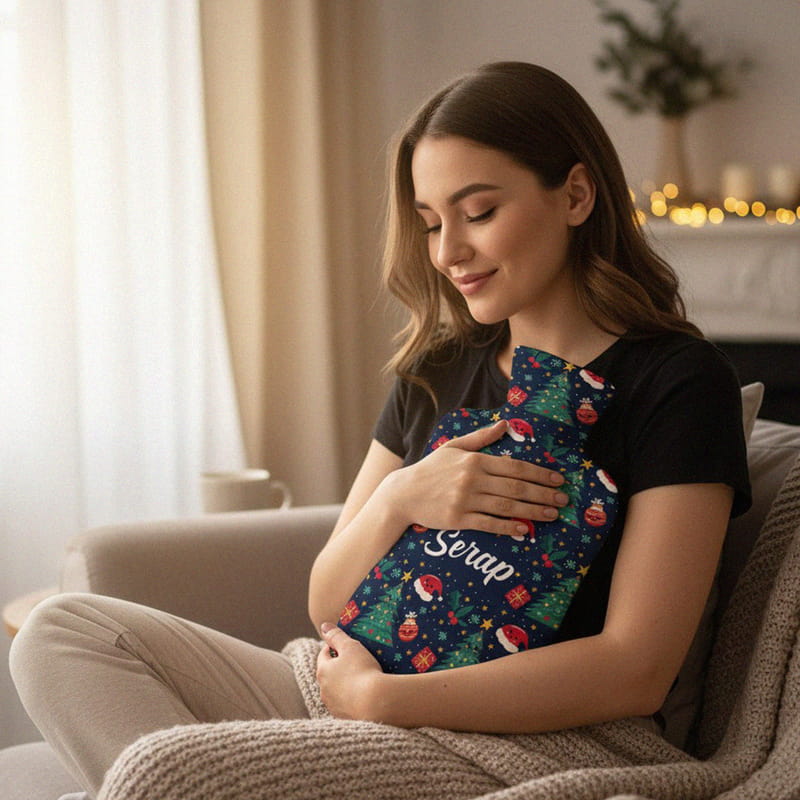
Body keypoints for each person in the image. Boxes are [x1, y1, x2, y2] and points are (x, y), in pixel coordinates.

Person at [10, 62, 750, 798]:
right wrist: (403, 496)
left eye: (479, 212)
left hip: (524, 736)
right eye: (431, 222)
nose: (446, 252)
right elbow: (326, 600)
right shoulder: (440, 367)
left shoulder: (678, 384)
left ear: (577, 195)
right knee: (60, 634)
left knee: (159, 774)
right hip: (342, 680)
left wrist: (384, 703)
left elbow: (636, 667)